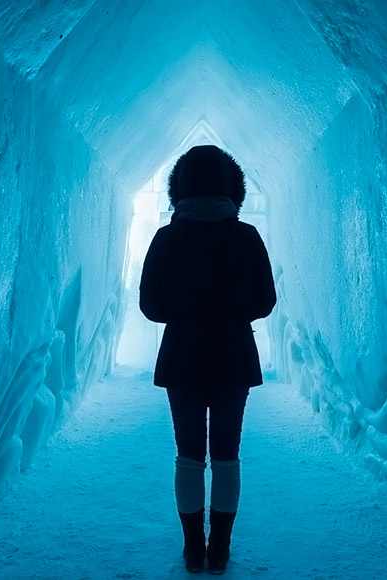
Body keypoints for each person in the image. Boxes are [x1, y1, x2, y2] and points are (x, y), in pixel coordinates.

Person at [139, 145, 277, 574]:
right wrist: (231, 313)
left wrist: (185, 313)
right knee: (226, 455)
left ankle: (192, 549)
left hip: (181, 357)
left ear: (179, 188)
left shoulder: (166, 237)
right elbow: (266, 301)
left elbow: (151, 307)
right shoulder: (247, 236)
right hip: (234, 355)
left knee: (188, 455)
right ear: (232, 188)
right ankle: (220, 548)